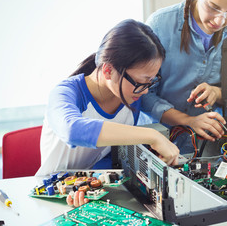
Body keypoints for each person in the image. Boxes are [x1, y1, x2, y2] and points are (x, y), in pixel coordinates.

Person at [35, 19, 180, 207]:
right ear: (108, 70)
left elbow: (107, 155)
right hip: (51, 197)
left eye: (151, 81)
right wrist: (152, 136)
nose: (145, 91)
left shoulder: (131, 100)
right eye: (141, 82)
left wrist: (95, 183)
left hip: (90, 192)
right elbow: (72, 130)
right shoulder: (65, 93)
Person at [141, 0, 227, 154]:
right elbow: (142, 94)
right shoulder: (160, 25)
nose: (219, 21)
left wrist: (217, 92)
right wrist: (189, 120)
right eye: (213, 7)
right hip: (157, 141)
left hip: (210, 148)